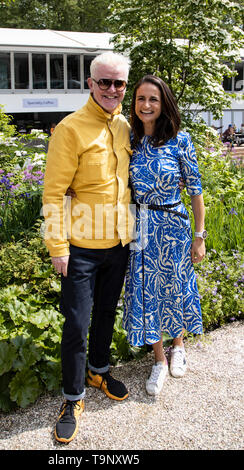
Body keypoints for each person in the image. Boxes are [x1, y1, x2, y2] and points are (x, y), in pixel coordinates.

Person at [42, 52, 133, 443]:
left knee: (105, 315)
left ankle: (98, 370)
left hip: (119, 243)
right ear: (90, 83)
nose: (112, 90)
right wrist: (57, 247)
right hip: (79, 246)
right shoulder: (70, 128)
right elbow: (53, 191)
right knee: (76, 324)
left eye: (119, 83)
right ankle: (73, 396)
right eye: (105, 82)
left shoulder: (128, 126)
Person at [123, 75, 206, 397]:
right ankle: (158, 359)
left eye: (153, 99)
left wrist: (199, 236)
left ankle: (178, 346)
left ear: (164, 103)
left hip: (172, 226)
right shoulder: (128, 139)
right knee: (147, 292)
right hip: (139, 227)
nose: (146, 105)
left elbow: (196, 191)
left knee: (176, 287)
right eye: (141, 98)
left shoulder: (180, 140)